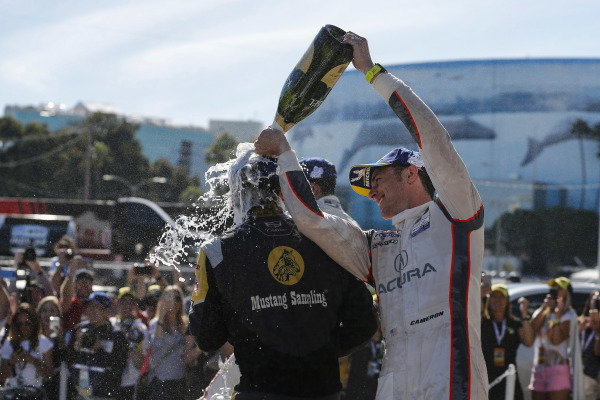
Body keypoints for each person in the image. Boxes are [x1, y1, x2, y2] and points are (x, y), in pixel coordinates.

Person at [255, 31, 487, 399]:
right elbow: (313, 222)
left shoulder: (456, 215)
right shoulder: (377, 245)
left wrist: (373, 72)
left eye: (377, 178)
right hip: (394, 379)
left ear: (411, 173)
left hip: (449, 374)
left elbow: (434, 140)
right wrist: (285, 155)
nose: (372, 191)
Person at [189, 152, 378, 400]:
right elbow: (364, 323)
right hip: (323, 391)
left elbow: (207, 337)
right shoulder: (323, 239)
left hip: (259, 391)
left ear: (236, 197)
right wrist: (323, 350)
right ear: (283, 193)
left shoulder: (218, 251)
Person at [66, 291, 128, 399]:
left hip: (104, 395)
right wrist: (76, 347)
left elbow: (118, 369)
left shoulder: (117, 335)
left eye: (97, 307)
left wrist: (99, 350)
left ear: (107, 311)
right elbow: (68, 360)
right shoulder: (79, 329)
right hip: (79, 393)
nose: (92, 311)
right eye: (89, 307)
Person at [529, 277, 583, 400]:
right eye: (553, 289)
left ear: (567, 294)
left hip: (558, 369)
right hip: (540, 367)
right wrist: (544, 308)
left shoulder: (569, 315)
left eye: (559, 289)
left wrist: (557, 315)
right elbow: (531, 330)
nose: (554, 292)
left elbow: (556, 340)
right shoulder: (543, 311)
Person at [138, 285, 194, 400]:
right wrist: (162, 317)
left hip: (179, 381)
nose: (174, 302)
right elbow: (156, 342)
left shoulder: (185, 325)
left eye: (177, 298)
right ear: (163, 301)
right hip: (159, 382)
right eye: (169, 298)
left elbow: (187, 354)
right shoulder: (155, 323)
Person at [481, 284, 534, 400]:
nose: (498, 300)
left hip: (509, 378)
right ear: (489, 300)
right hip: (487, 379)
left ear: (507, 301)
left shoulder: (514, 323)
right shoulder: (483, 322)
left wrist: (524, 313)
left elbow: (529, 342)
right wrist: (480, 295)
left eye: (502, 297)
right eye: (494, 296)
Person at [0, 304, 53, 390]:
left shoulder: (43, 342)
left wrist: (32, 360)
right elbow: (2, 378)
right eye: (19, 324)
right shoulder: (8, 343)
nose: (23, 327)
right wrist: (11, 362)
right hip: (13, 391)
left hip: (35, 391)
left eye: (27, 323)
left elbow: (49, 374)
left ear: (34, 324)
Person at [111, 287, 147, 400]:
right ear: (117, 304)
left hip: (129, 384)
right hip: (109, 381)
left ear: (136, 306)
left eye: (131, 303)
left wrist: (133, 344)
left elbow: (141, 365)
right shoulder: (110, 325)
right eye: (123, 302)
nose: (127, 306)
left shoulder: (141, 329)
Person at [37, 296, 65, 399]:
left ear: (58, 314)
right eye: (44, 310)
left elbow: (64, 362)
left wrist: (61, 340)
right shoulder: (32, 336)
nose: (48, 314)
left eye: (52, 310)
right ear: (39, 314)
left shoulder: (64, 336)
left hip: (56, 389)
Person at [578, 289, 600, 400]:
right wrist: (578, 330)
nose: (596, 302)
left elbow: (597, 351)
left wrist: (597, 330)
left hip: (592, 377)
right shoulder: (583, 322)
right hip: (577, 375)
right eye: (595, 299)